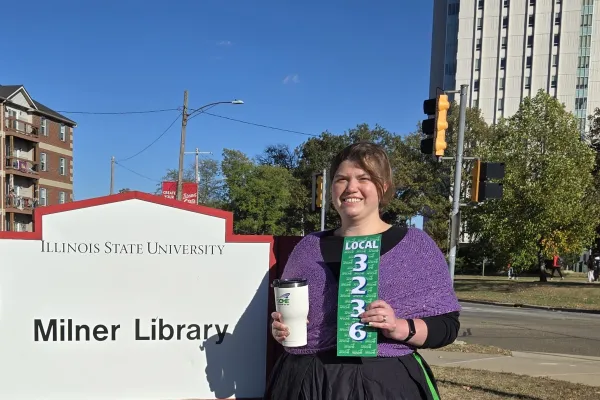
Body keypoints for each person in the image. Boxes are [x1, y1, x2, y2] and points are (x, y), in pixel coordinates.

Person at [264, 142, 461, 400]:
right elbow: (288, 313)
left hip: (384, 383)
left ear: (384, 187)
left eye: (363, 178)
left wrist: (399, 327)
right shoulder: (308, 248)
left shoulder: (414, 246)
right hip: (306, 381)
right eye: (341, 179)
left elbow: (447, 326)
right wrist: (280, 329)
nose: (351, 187)